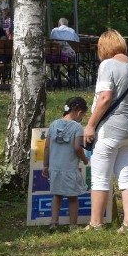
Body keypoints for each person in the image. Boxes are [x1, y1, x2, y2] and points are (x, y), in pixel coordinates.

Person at [83, 29, 128, 233]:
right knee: (126, 175)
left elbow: (105, 97)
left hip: (110, 128)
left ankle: (96, 223)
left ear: (104, 47)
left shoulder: (107, 65)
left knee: (100, 177)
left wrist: (91, 124)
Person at [42, 97, 89, 230]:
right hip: (69, 169)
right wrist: (85, 159)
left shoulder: (53, 124)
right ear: (79, 112)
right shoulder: (77, 127)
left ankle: (53, 222)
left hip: (54, 168)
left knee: (57, 195)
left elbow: (46, 147)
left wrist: (46, 165)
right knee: (73, 197)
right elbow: (77, 148)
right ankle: (73, 225)